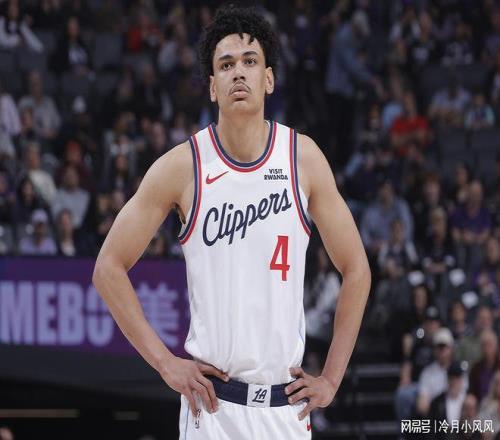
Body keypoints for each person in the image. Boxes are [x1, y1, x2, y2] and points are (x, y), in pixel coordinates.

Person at [93, 6, 371, 440]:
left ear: (269, 79)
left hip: (285, 412)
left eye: (249, 61)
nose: (238, 72)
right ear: (212, 86)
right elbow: (108, 267)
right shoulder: (182, 166)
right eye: (225, 65)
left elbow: (357, 268)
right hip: (213, 411)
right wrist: (165, 364)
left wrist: (332, 378)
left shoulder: (303, 159)